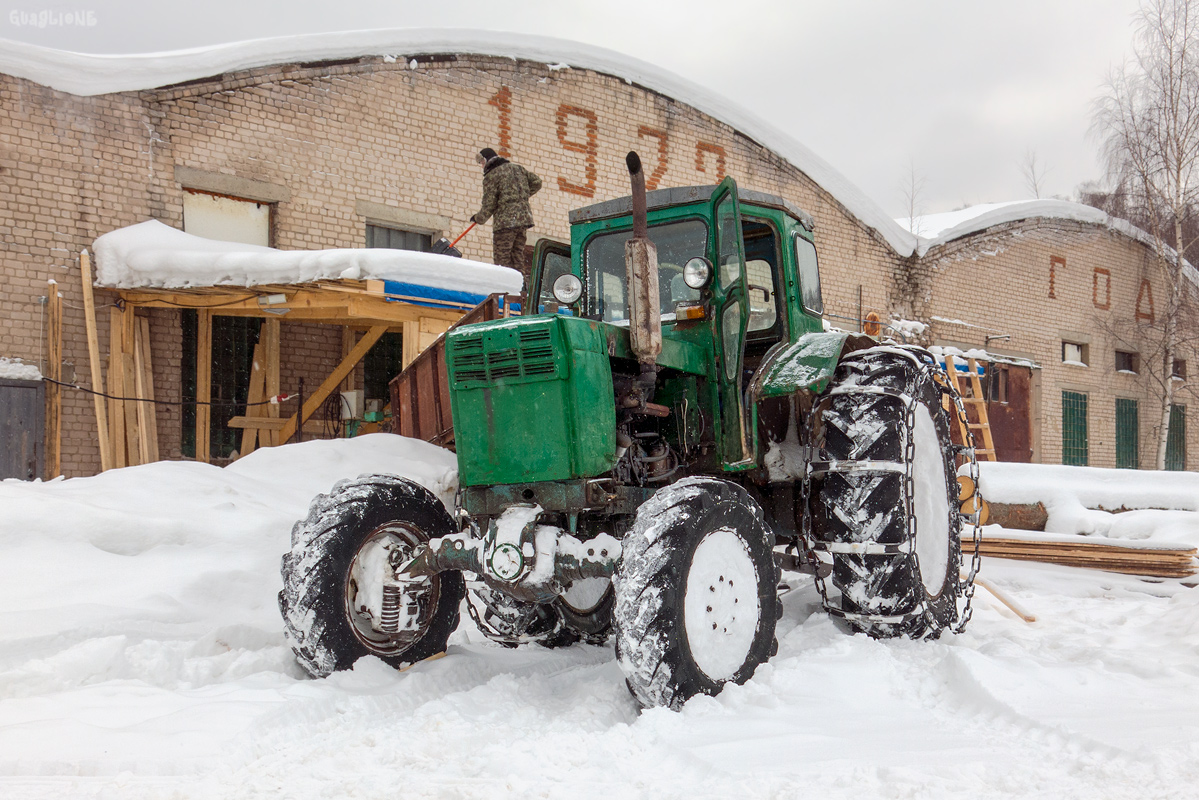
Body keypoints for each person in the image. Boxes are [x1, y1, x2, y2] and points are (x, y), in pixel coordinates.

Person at [472, 148, 542, 300]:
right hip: (523, 221)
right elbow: (537, 182)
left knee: (502, 261)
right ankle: (522, 296)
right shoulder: (518, 169)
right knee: (518, 260)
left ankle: (505, 295)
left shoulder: (492, 176)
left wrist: (479, 218)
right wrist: (521, 197)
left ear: (486, 160)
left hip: (505, 224)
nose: (481, 166)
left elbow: (489, 204)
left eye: (481, 162)